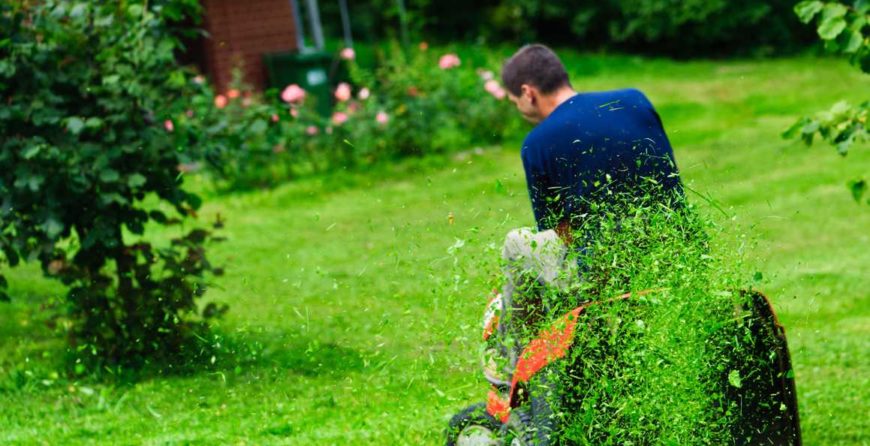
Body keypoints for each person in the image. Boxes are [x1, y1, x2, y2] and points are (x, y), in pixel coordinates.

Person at [496, 43, 683, 344]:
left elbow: (562, 235)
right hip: (678, 252)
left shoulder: (538, 142)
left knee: (517, 244)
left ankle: (515, 366)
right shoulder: (634, 101)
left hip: (607, 275)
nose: (518, 108)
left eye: (515, 100)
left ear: (528, 93)